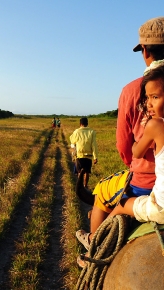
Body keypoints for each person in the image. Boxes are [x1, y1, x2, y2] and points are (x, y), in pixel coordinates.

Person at [76, 16, 164, 252]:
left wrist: (132, 163)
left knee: (102, 192)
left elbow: (125, 147)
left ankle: (93, 248)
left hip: (145, 183)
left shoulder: (132, 90)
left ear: (145, 51)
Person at [109, 65, 164, 222]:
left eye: (155, 97)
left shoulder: (155, 126)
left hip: (161, 207)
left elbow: (137, 152)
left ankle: (95, 239)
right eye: (147, 98)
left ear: (144, 51)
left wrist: (146, 129)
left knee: (121, 205)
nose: (148, 104)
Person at [70, 117, 98, 188]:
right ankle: (85, 186)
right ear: (87, 123)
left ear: (80, 124)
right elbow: (94, 145)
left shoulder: (77, 131)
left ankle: (80, 186)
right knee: (87, 172)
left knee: (79, 172)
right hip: (88, 156)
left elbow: (72, 140)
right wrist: (95, 157)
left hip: (79, 155)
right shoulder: (92, 132)